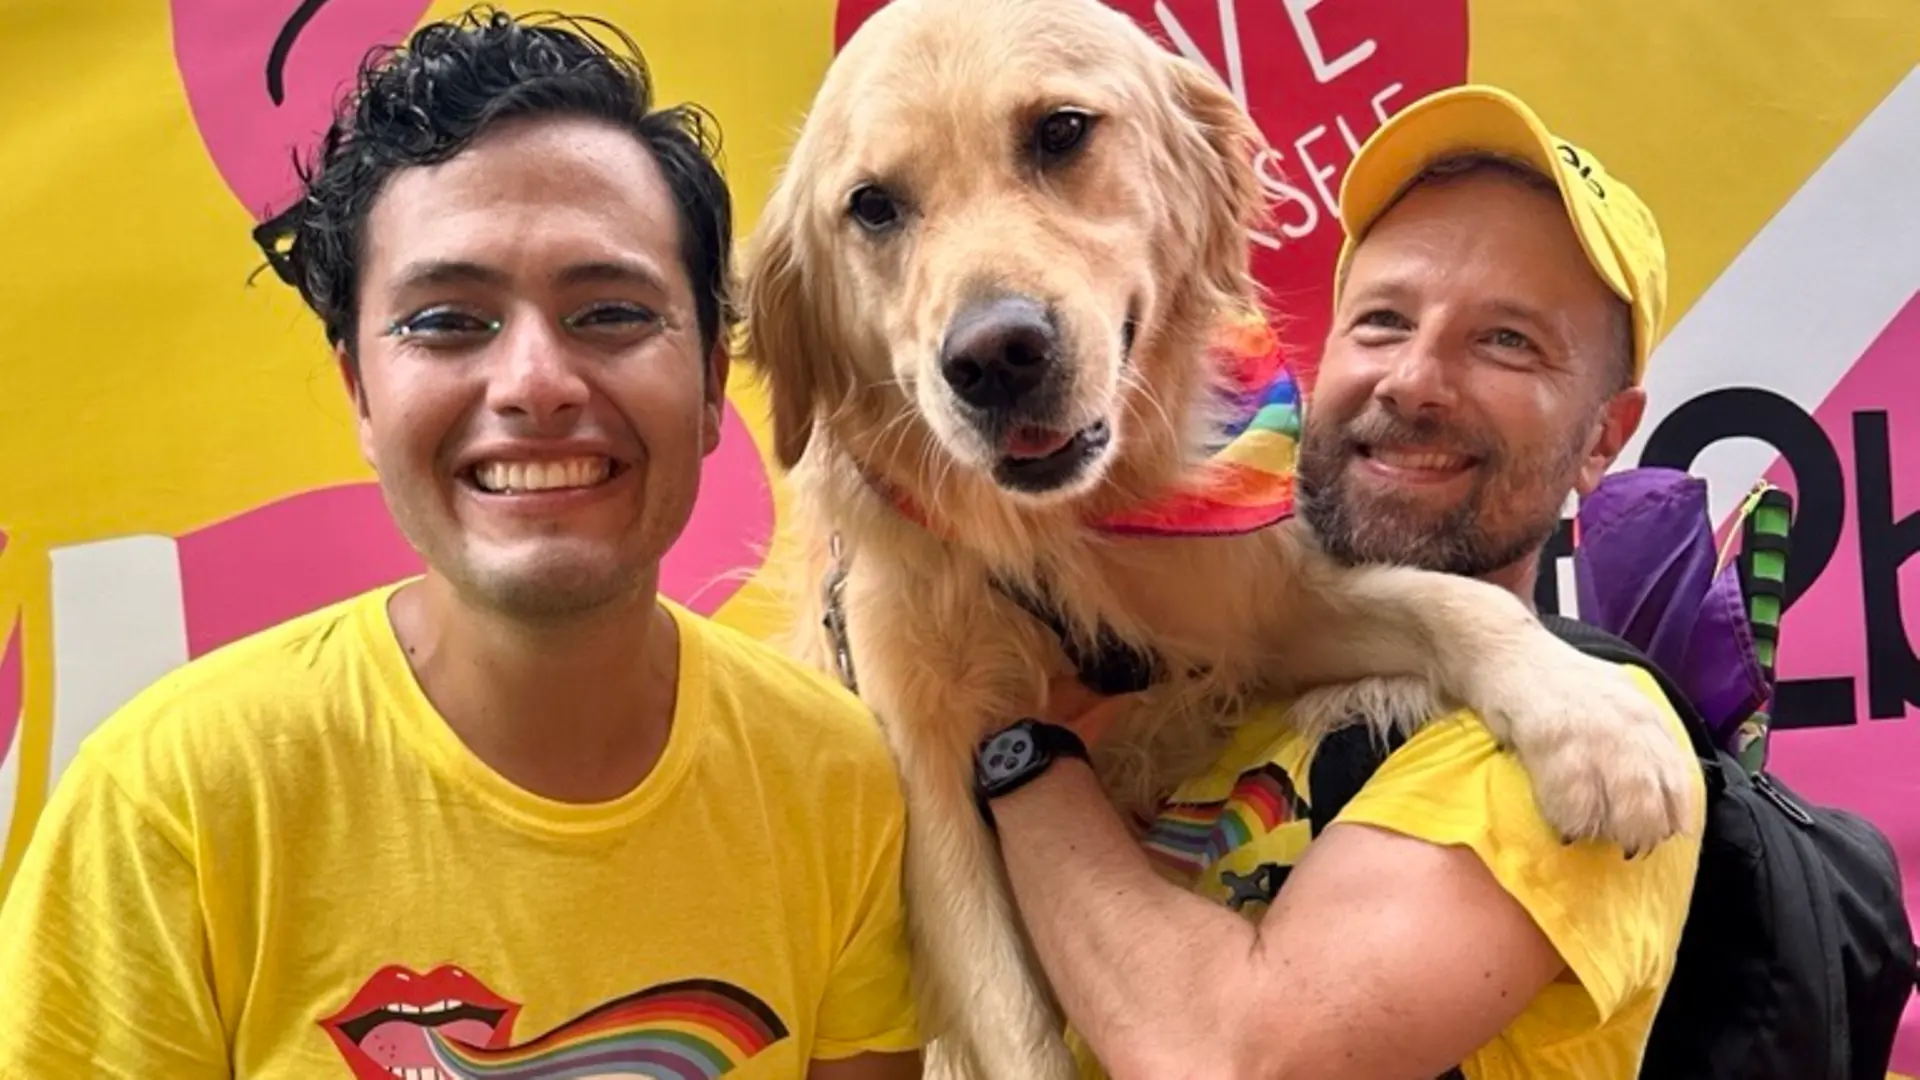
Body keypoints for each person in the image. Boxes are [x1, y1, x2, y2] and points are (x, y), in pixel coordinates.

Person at [0, 11, 921, 1078]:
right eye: (446, 321)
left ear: (716, 379)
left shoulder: (833, 778)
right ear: (359, 390)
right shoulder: (172, 805)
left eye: (611, 312)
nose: (534, 383)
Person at [973, 85, 1704, 1079]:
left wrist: (1010, 745)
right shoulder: (1204, 662)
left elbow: (1229, 1059)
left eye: (1507, 342)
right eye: (1383, 321)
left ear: (1604, 438)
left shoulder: (1573, 744)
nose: (1413, 379)